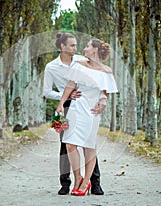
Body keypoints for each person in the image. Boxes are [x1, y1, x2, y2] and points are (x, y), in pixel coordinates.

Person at [43, 33, 105, 195]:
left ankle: (94, 182)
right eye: (72, 45)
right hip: (67, 107)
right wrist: (65, 97)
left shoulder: (82, 61)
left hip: (86, 105)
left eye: (76, 45)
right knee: (66, 145)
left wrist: (102, 98)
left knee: (88, 143)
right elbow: (47, 91)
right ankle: (65, 183)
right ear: (62, 47)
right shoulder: (51, 67)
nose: (75, 48)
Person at [56, 38, 118, 196]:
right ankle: (78, 178)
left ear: (95, 50)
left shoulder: (106, 71)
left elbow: (105, 92)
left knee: (89, 147)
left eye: (87, 46)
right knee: (70, 144)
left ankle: (85, 184)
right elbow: (71, 85)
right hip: (77, 107)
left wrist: (104, 101)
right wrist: (61, 104)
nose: (84, 49)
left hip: (92, 111)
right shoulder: (79, 65)